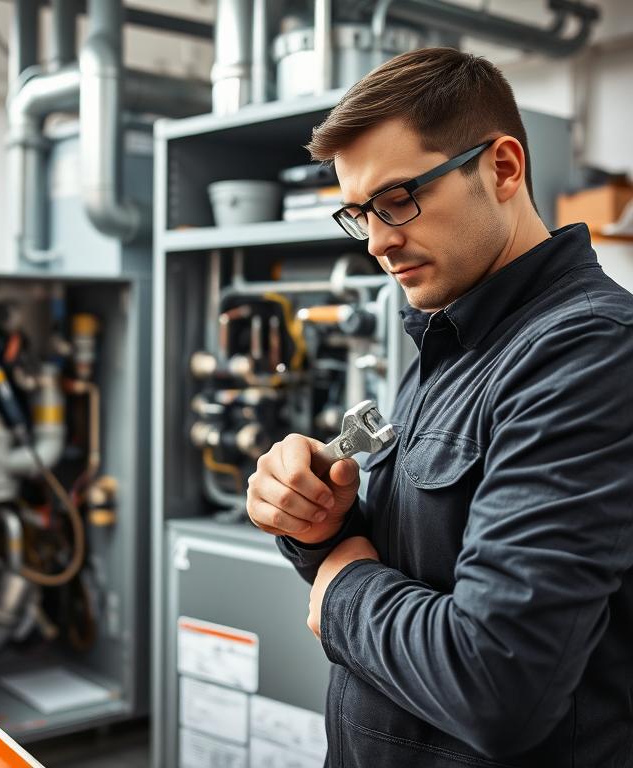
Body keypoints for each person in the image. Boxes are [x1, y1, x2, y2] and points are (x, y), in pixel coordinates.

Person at [246, 46, 633, 767]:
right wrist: (320, 524)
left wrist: (342, 591)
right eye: (359, 214)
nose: (378, 242)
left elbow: (498, 681)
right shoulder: (452, 338)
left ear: (504, 167)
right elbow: (416, 559)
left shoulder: (588, 351)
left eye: (398, 199)